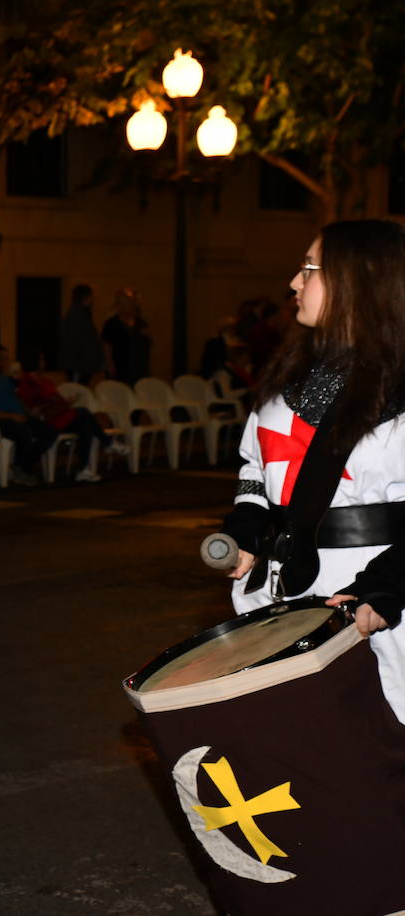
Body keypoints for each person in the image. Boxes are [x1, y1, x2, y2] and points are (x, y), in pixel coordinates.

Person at [220, 219, 405, 724]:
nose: (294, 283)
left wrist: (389, 584)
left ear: (358, 282)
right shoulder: (285, 382)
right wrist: (246, 529)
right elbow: (256, 471)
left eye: (310, 269)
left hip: (375, 608)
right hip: (283, 595)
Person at [14, 365, 127, 482]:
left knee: (85, 423)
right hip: (50, 419)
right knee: (83, 414)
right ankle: (106, 443)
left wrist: (64, 402)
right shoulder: (26, 384)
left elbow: (56, 398)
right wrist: (55, 404)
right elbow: (33, 410)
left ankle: (86, 466)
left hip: (61, 415)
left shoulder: (45, 381)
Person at [0, 346, 57, 486]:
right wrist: (11, 416)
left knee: (49, 432)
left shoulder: (2, 379)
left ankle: (21, 465)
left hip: (18, 417)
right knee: (23, 433)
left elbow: (16, 399)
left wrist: (29, 412)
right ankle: (23, 469)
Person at [59, 283, 105, 384]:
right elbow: (83, 342)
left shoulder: (82, 314)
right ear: (87, 297)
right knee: (78, 390)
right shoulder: (77, 315)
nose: (93, 300)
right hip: (78, 364)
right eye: (92, 296)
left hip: (82, 364)